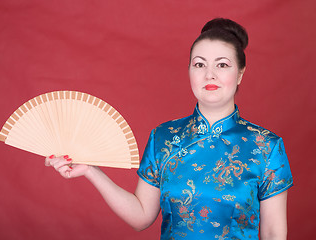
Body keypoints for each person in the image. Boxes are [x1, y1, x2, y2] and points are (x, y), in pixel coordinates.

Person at [45, 18, 293, 239]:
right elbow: (141, 217)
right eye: (199, 65)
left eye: (222, 65)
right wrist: (90, 170)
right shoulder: (163, 137)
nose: (209, 75)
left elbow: (273, 233)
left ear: (240, 73)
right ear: (189, 72)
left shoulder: (266, 146)